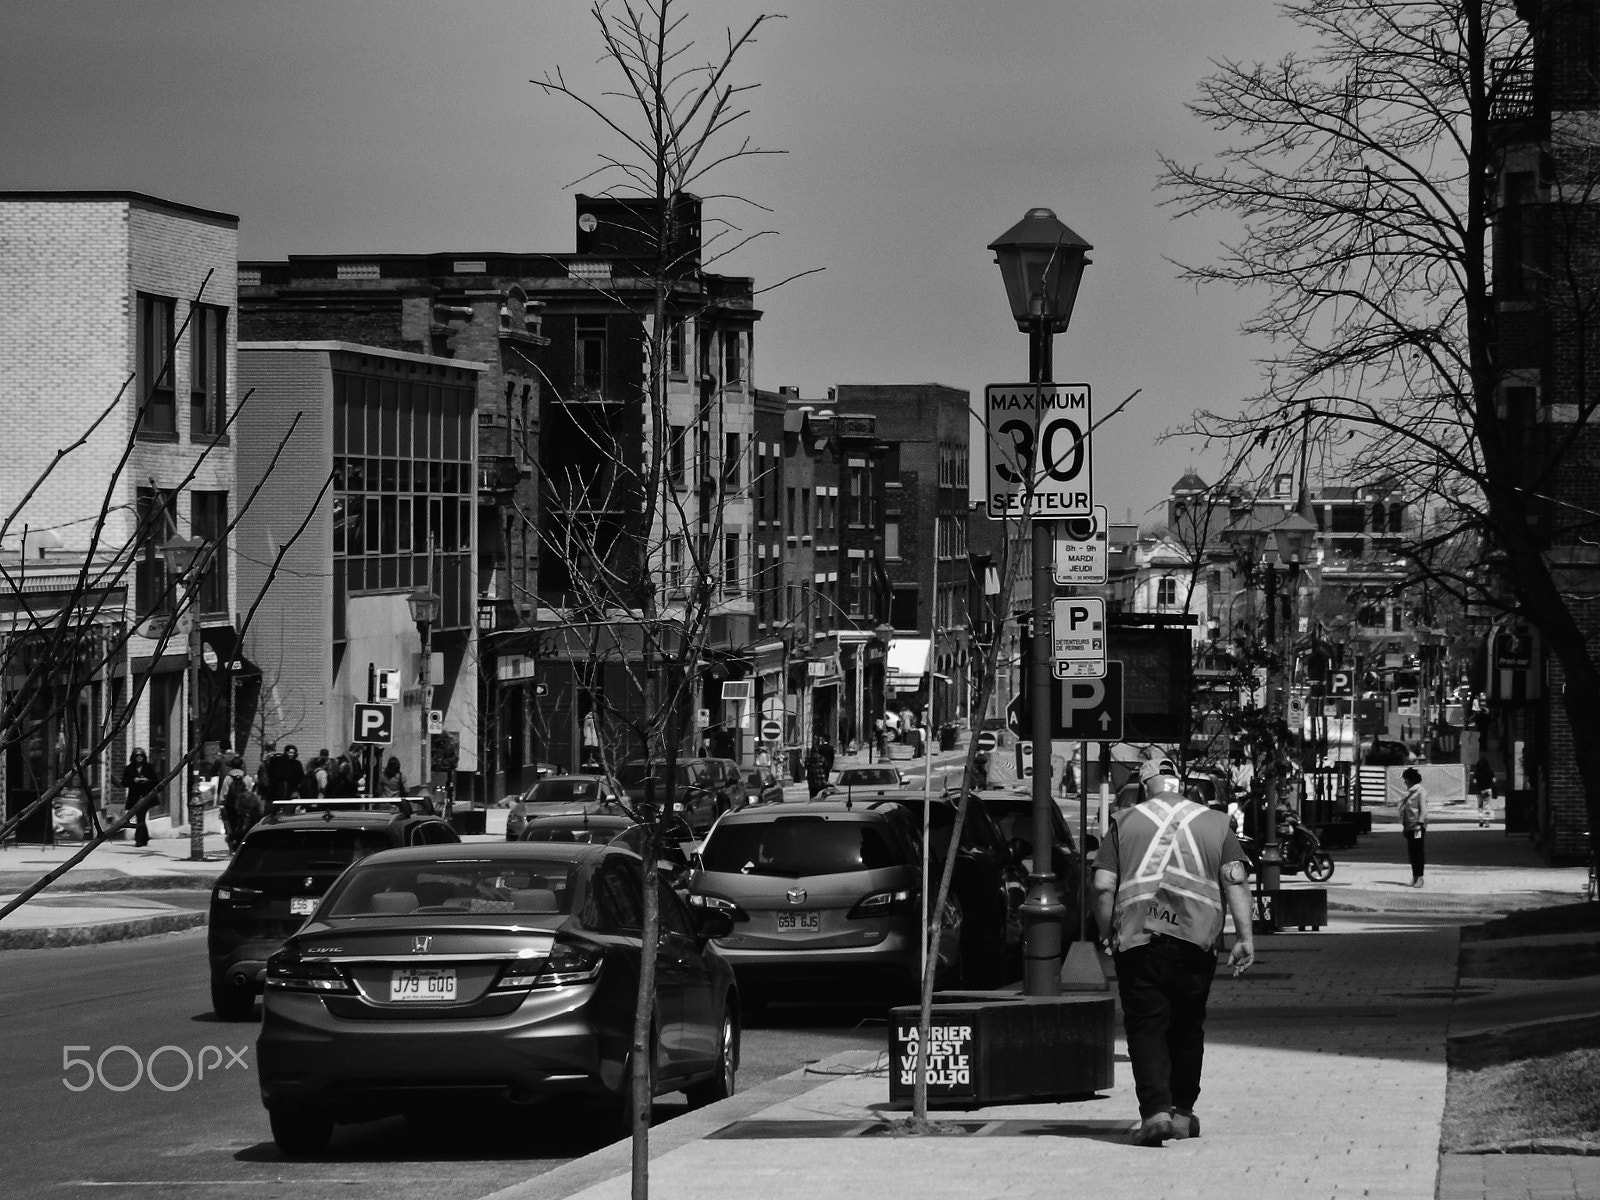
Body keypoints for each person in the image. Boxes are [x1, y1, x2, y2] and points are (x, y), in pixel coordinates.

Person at [1092, 757, 1255, 1146]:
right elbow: (1235, 880)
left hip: (1137, 941)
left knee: (1146, 1026)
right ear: (1179, 785)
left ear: (1146, 786)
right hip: (1195, 942)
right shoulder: (1215, 823)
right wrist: (1245, 937)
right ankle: (1182, 1113)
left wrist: (1105, 931)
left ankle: (1155, 1114)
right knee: (1187, 1026)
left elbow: (1102, 884)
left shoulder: (1124, 821)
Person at [119, 748, 158, 848]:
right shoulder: (129, 769)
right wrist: (134, 780)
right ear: (133, 757)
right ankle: (144, 837)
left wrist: (146, 780)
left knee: (141, 817)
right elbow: (124, 782)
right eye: (137, 755)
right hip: (135, 796)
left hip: (146, 796)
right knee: (140, 818)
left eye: (141, 755)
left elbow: (156, 781)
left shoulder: (148, 767)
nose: (139, 757)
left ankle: (139, 839)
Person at [1399, 766, 1428, 887]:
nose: (1404, 781)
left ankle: (1420, 877)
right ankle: (1414, 876)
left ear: (1411, 779)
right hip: (1408, 826)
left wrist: (1419, 824)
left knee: (1418, 852)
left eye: (1406, 779)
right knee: (1411, 852)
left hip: (1417, 826)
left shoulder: (1421, 791)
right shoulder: (1409, 792)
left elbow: (1423, 810)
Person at [1471, 755, 1495, 828]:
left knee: (1480, 805)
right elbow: (1493, 780)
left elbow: (1474, 781)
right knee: (1487, 805)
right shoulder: (1490, 771)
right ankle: (1487, 822)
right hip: (1487, 790)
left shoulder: (1477, 772)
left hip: (1479, 790)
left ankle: (1481, 820)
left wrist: (1475, 786)